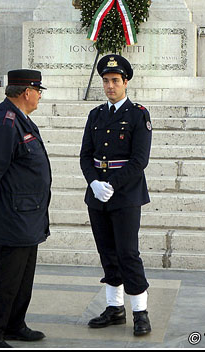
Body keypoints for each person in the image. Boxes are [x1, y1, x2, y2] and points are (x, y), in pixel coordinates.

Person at [0, 69, 50, 348]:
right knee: (4, 280)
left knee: (22, 278)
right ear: (27, 92)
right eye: (39, 90)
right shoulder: (6, 122)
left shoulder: (20, 120)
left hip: (27, 215)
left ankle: (14, 324)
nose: (40, 95)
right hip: (11, 216)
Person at [79, 54, 153, 336]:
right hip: (97, 194)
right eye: (106, 81)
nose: (110, 86)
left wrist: (112, 185)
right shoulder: (95, 115)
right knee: (107, 252)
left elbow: (139, 160)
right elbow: (86, 156)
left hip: (125, 195)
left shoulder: (138, 115)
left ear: (126, 83)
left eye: (115, 81)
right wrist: (95, 183)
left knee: (127, 253)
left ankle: (140, 311)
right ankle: (114, 307)